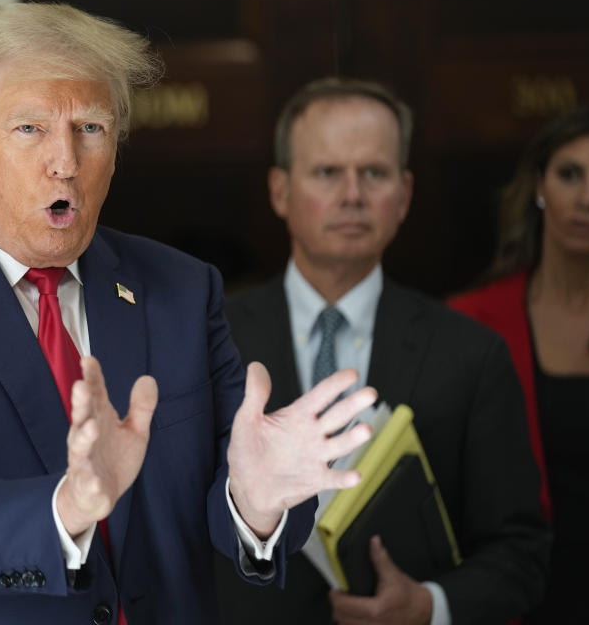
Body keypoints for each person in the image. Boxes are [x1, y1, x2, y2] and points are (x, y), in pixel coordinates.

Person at [0, 3, 379, 625]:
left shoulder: (179, 288)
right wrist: (64, 510)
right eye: (30, 129)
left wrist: (254, 504)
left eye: (90, 128)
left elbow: (231, 491)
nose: (65, 161)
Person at [214, 77, 551, 624]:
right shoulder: (208, 342)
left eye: (374, 173)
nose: (352, 194)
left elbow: (521, 553)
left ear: (405, 194)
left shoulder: (472, 354)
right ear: (280, 191)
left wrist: (429, 606)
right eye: (327, 172)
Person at [449, 105, 589, 623]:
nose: (587, 199)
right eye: (570, 175)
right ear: (539, 186)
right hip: (517, 601)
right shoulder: (472, 322)